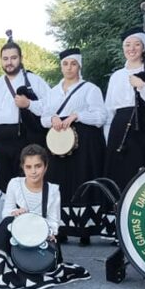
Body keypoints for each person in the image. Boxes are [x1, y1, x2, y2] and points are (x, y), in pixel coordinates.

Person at [0, 144, 90, 289]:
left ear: (45, 166)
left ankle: (26, 268)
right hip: (19, 231)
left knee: (46, 250)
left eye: (38, 166)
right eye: (28, 167)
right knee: (7, 222)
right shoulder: (14, 184)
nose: (33, 171)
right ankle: (4, 269)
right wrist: (16, 213)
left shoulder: (52, 190)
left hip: (41, 235)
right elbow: (6, 212)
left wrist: (49, 233)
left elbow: (54, 221)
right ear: (23, 167)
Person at [41, 48, 107, 244]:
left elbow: (101, 117)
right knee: (59, 184)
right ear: (61, 66)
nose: (69, 67)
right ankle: (60, 228)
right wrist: (52, 118)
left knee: (81, 182)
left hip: (84, 144)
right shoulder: (52, 92)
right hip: (58, 145)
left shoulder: (90, 89)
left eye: (73, 63)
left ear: (79, 66)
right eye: (65, 64)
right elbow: (43, 118)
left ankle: (84, 231)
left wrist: (77, 115)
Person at [0, 38, 52, 193]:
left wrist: (29, 104)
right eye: (5, 59)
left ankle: (29, 215)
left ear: (21, 58)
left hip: (25, 138)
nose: (9, 62)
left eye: (13, 58)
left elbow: (50, 106)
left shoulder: (34, 80)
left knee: (27, 182)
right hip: (1, 140)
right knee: (5, 184)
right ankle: (10, 215)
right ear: (1, 60)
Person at [104, 27, 145, 192]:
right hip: (119, 126)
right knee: (118, 171)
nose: (131, 49)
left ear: (143, 47)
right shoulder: (116, 76)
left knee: (141, 168)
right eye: (127, 45)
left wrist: (143, 87)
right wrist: (107, 137)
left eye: (136, 44)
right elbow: (109, 109)